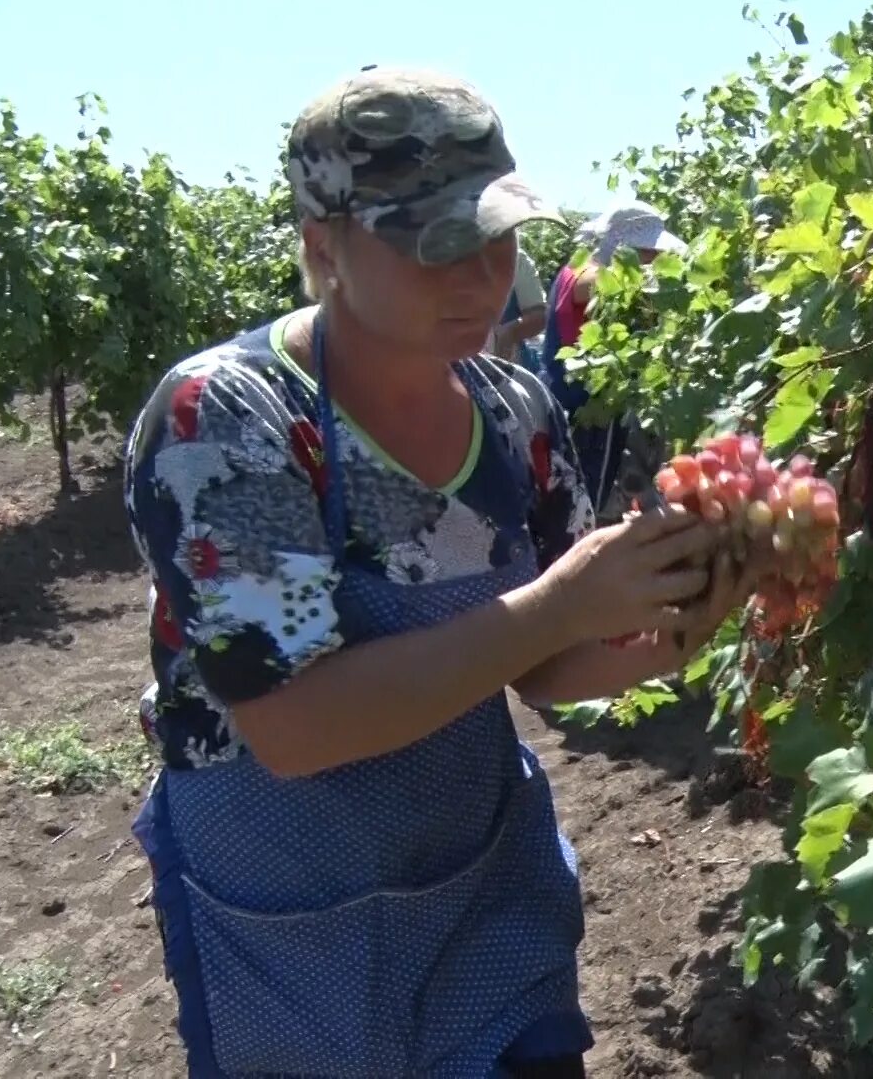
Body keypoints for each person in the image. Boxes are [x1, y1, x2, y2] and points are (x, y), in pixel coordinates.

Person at [121, 66, 752, 1079]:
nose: (480, 276)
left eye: (497, 237)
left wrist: (681, 624)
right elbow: (293, 726)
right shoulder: (228, 421)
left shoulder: (515, 414)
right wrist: (558, 602)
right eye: (433, 245)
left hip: (483, 897)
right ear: (323, 249)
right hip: (291, 924)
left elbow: (546, 666)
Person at [538, 201, 684, 511]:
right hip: (578, 412)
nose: (656, 259)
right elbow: (608, 286)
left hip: (596, 412)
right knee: (580, 503)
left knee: (587, 497)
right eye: (648, 251)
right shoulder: (582, 274)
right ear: (620, 247)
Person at [486, 245, 547, 368]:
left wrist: (511, 331)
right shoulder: (443, 261)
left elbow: (540, 314)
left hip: (509, 364)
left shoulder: (515, 259)